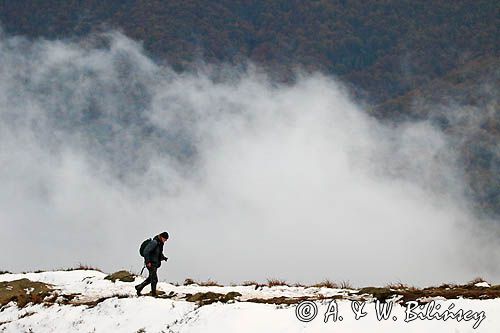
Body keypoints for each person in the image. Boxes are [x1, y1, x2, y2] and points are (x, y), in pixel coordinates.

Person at [135, 231, 169, 296]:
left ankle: (139, 287)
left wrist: (164, 258)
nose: (166, 240)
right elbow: (146, 252)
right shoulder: (154, 242)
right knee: (154, 279)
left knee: (150, 278)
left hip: (154, 263)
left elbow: (158, 253)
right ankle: (154, 294)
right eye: (165, 239)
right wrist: (148, 262)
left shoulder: (159, 244)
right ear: (161, 237)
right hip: (151, 263)